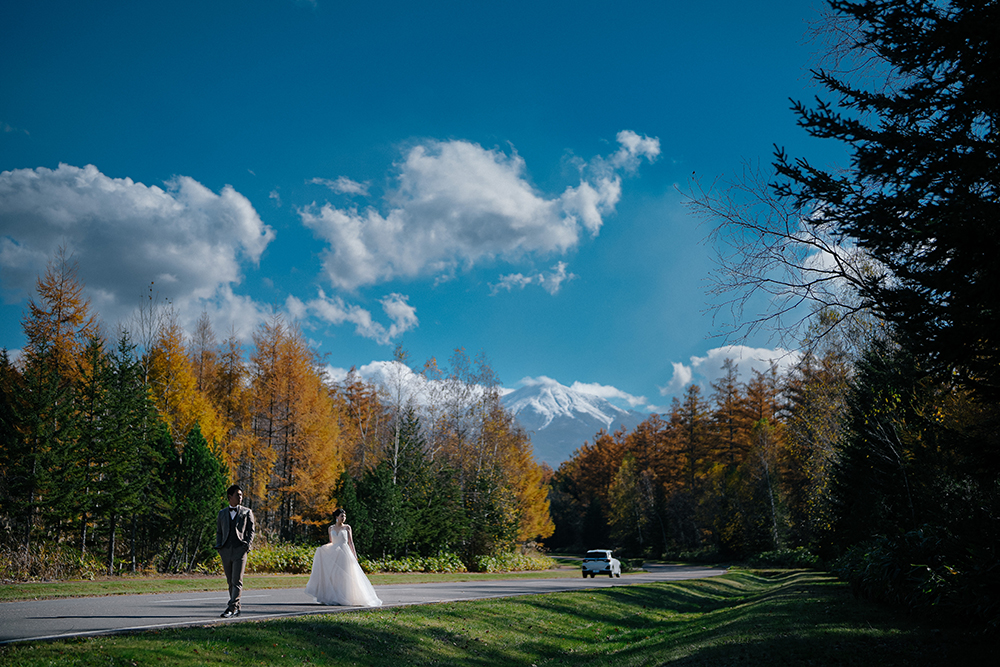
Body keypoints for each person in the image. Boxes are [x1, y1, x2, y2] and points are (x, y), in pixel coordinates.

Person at [305, 508, 382, 607]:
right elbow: (331, 541)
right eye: (342, 516)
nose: (344, 518)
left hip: (345, 553)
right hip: (334, 553)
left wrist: (354, 554)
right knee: (335, 575)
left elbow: (350, 542)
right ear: (337, 517)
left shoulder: (347, 527)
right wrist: (323, 549)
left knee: (345, 574)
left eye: (344, 516)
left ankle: (346, 596)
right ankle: (335, 597)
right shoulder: (331, 528)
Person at [214, 484, 255, 618]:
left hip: (240, 550)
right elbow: (219, 531)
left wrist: (247, 545)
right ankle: (236, 606)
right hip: (225, 550)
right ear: (230, 497)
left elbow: (251, 531)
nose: (240, 497)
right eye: (238, 495)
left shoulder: (247, 512)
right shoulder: (222, 513)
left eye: (241, 495)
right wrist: (219, 547)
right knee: (230, 581)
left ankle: (231, 607)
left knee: (237, 580)